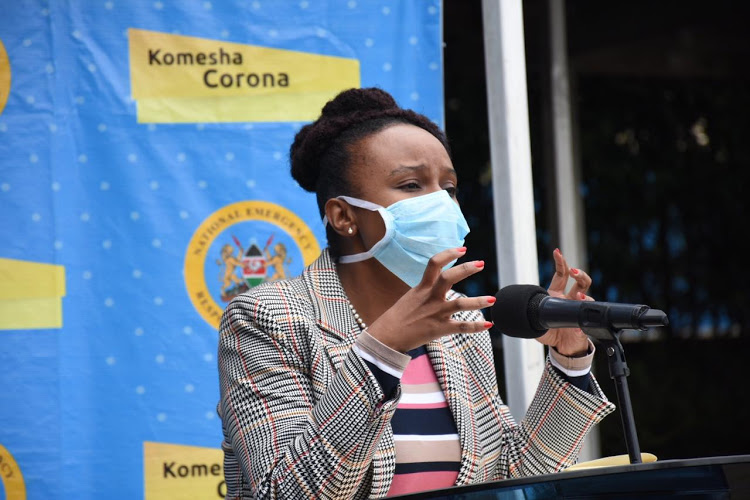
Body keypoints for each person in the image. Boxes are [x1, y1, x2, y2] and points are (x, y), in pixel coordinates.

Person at [217, 87, 615, 499]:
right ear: (343, 216)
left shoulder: (457, 324)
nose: (441, 204)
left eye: (449, 188)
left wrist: (569, 363)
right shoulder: (267, 318)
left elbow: (509, 479)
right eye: (410, 185)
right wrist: (381, 350)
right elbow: (288, 493)